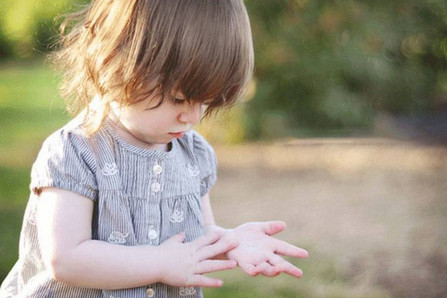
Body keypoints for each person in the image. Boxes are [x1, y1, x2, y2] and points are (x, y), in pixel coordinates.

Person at [0, 0, 308, 297]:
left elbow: (195, 232)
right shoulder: (77, 152)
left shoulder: (193, 155)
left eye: (206, 101)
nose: (193, 117)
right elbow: (66, 258)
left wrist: (229, 241)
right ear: (119, 60)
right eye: (178, 98)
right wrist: (160, 263)